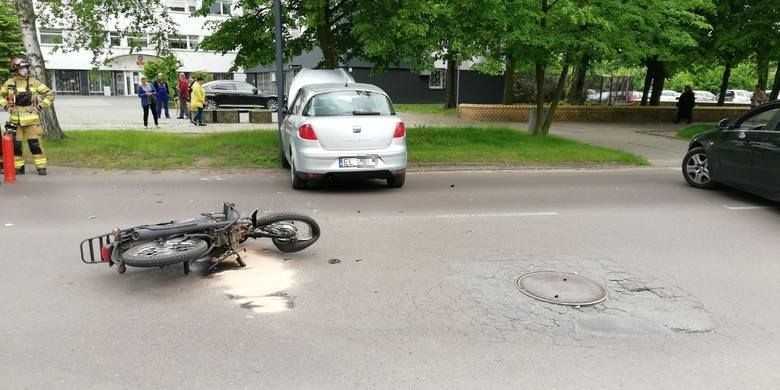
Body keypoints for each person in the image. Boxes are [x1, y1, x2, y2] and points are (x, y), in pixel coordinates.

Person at [0, 57, 55, 175]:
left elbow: (50, 95)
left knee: (35, 145)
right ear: (16, 69)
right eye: (22, 68)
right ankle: (18, 167)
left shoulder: (34, 82)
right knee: (16, 146)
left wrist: (40, 107)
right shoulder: (9, 83)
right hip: (15, 122)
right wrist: (6, 107)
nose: (25, 70)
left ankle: (41, 167)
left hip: (32, 122)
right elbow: (1, 96)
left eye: (26, 68)